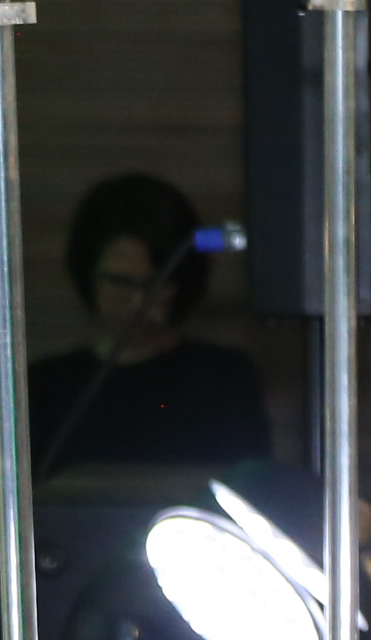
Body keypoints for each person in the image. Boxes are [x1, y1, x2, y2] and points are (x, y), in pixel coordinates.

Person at [29, 172, 272, 477]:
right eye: (121, 282)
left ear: (178, 285)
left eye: (154, 284)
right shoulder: (47, 388)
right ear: (88, 276)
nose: (138, 300)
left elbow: (252, 487)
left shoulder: (224, 378)